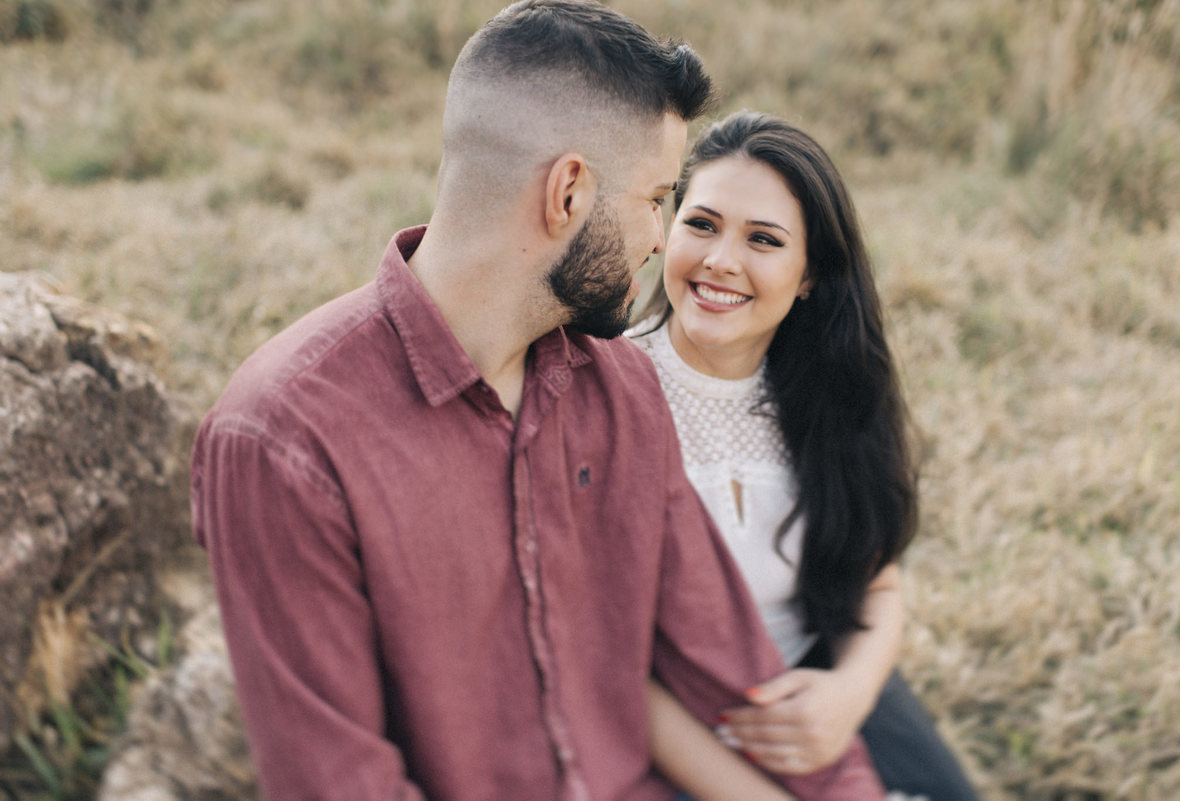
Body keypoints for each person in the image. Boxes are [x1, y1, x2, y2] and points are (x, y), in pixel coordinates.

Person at [190, 4, 886, 800]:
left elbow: (732, 669)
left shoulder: (623, 391)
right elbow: (340, 784)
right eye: (655, 198)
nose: (660, 239)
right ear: (569, 192)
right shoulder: (283, 439)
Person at [632, 110, 978, 801]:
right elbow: (600, 661)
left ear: (809, 274)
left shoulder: (829, 391)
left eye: (763, 239)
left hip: (812, 679)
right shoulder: (603, 395)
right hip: (667, 720)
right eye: (702, 224)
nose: (721, 259)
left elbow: (875, 582)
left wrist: (848, 693)